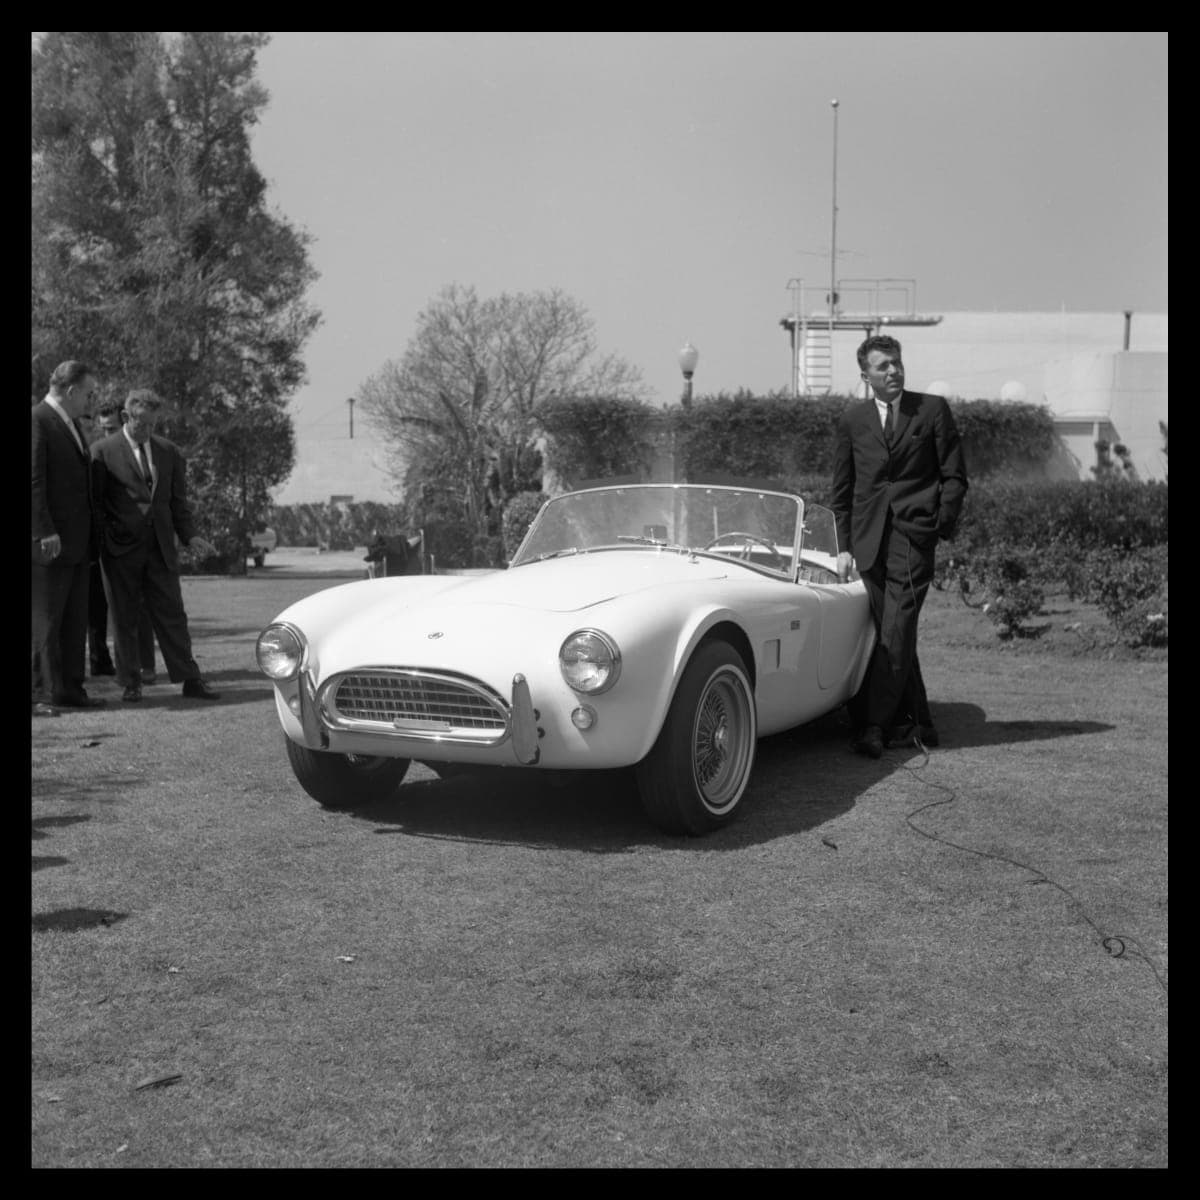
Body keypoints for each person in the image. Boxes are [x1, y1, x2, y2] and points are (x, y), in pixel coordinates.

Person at [831, 334, 968, 758]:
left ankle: (873, 725)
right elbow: (842, 490)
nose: (893, 370)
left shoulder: (932, 410)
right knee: (895, 633)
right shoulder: (852, 421)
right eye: (883, 366)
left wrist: (937, 525)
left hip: (913, 538)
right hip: (868, 543)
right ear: (866, 376)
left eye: (896, 362)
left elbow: (955, 476)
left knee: (896, 628)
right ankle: (918, 722)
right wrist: (843, 546)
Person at [91, 388, 220, 703]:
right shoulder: (102, 451)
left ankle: (190, 679)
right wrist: (106, 540)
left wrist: (190, 536)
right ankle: (131, 682)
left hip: (161, 550)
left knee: (173, 615)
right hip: (120, 552)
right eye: (142, 423)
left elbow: (178, 503)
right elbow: (95, 505)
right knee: (124, 618)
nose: (148, 430)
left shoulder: (169, 452)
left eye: (153, 424)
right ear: (126, 416)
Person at [32, 360, 106, 714]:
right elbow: (34, 481)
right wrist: (43, 530)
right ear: (72, 391)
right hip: (50, 542)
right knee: (45, 623)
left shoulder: (72, 424)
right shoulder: (38, 419)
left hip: (77, 543)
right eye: (89, 394)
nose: (92, 400)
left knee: (75, 622)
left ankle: (70, 689)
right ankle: (40, 695)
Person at [86, 403, 159, 682]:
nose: (108, 434)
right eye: (103, 429)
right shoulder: (98, 453)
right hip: (103, 541)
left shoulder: (139, 455)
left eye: (112, 429)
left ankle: (143, 665)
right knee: (98, 606)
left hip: (131, 543)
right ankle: (101, 661)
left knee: (138, 607)